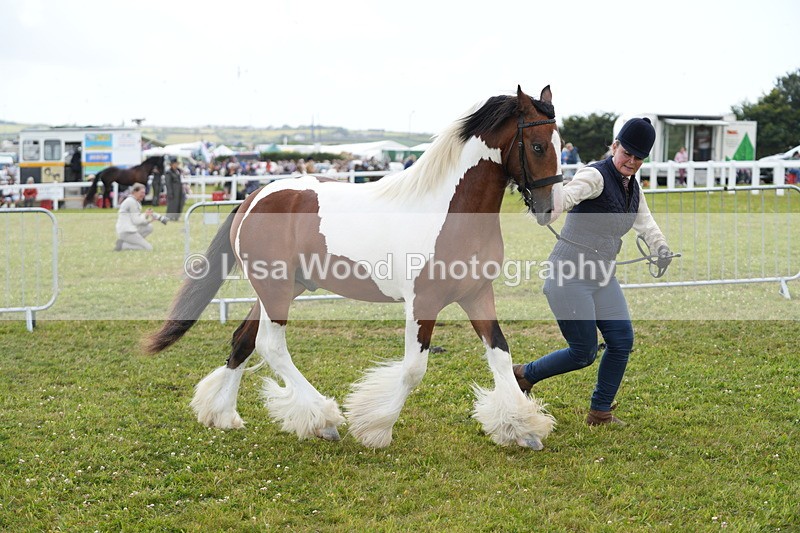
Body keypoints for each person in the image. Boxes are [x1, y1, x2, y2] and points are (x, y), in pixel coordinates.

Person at [512, 117, 673, 426]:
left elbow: (646, 223)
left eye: (639, 158)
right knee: (583, 352)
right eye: (627, 153)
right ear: (614, 146)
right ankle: (523, 374)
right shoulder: (594, 175)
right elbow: (568, 196)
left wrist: (661, 247)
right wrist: (549, 207)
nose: (631, 162)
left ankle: (600, 412)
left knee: (622, 341)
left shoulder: (633, 188)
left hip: (601, 276)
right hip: (569, 275)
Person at [115, 183, 166, 251]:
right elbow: (137, 221)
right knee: (149, 248)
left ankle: (129, 243)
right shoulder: (131, 202)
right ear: (134, 192)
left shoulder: (133, 201)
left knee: (149, 227)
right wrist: (149, 219)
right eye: (141, 193)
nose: (143, 195)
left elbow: (136, 218)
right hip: (127, 232)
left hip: (128, 230)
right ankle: (123, 245)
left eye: (144, 193)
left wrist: (146, 215)